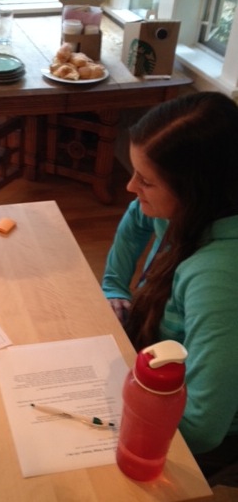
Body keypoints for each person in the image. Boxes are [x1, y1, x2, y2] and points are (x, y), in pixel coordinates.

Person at [102, 91, 238, 480]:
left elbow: (202, 428)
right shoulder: (184, 210)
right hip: (159, 377)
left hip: (198, 438)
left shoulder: (218, 280)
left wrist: (127, 423)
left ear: (194, 192)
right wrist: (114, 286)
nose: (130, 187)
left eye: (145, 181)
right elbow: (136, 218)